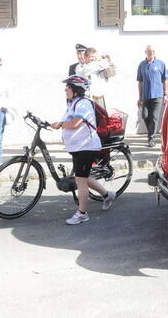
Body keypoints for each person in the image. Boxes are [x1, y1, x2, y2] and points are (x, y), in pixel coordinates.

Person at [50, 76, 116, 225]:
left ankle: (82, 213)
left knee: (80, 181)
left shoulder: (83, 104)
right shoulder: (73, 103)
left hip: (87, 147)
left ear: (76, 90)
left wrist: (60, 124)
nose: (65, 89)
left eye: (68, 87)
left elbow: (75, 123)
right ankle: (107, 195)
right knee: (83, 177)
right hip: (78, 147)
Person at [137, 45, 168, 148]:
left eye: (153, 51)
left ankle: (151, 138)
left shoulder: (160, 64)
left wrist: (165, 94)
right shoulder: (142, 65)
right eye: (149, 51)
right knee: (145, 116)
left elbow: (165, 80)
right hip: (146, 95)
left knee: (154, 117)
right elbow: (140, 81)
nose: (151, 53)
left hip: (158, 95)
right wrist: (140, 97)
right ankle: (151, 133)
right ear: (145, 52)